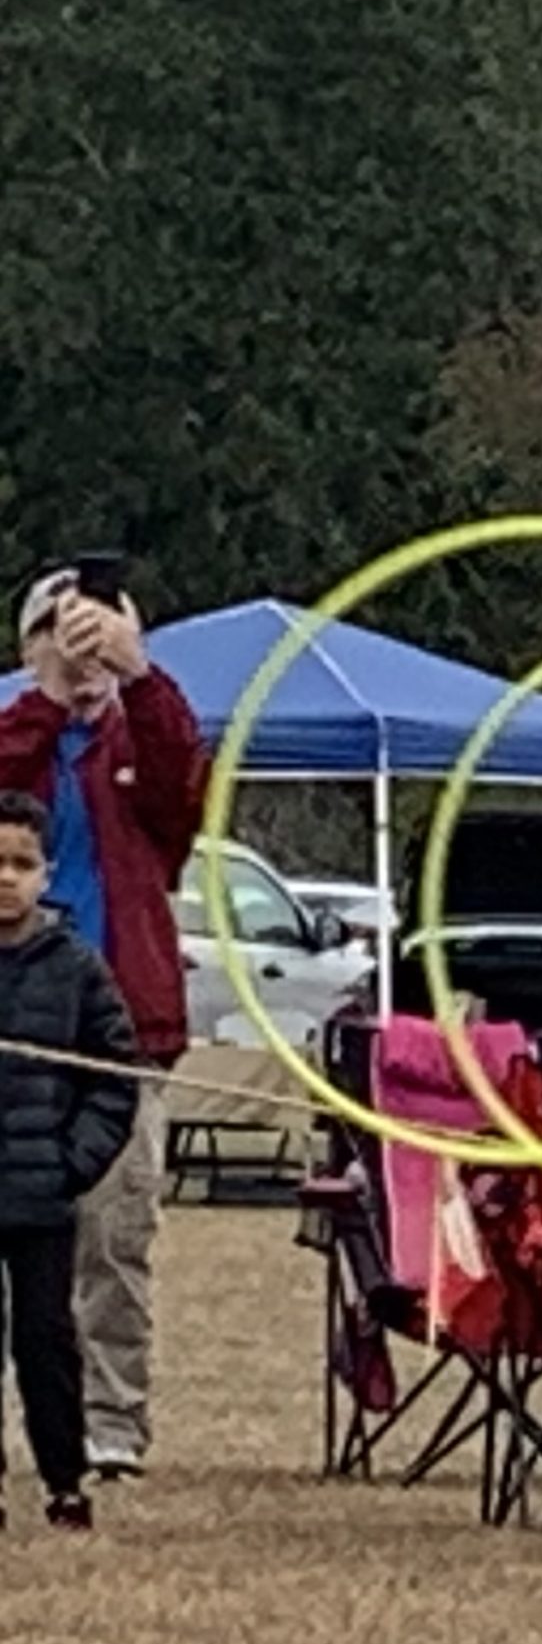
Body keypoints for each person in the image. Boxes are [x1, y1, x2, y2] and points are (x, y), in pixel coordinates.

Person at [0, 565, 206, 1481]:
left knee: (114, 1235)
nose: (81, 647)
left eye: (97, 629)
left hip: (120, 1029)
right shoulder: (19, 740)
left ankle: (111, 1425)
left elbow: (183, 789)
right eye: (61, 629)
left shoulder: (143, 743)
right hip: (14, 1020)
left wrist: (141, 674)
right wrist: (48, 697)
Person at [0, 792, 141, 1531]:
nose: (6, 878)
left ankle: (64, 1481)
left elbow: (116, 1076)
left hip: (41, 1196)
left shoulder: (76, 968)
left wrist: (71, 1160)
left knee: (45, 1342)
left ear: (46, 873)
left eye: (21, 864)